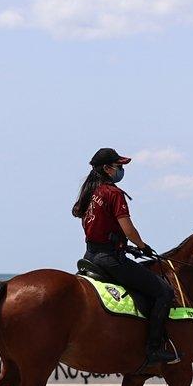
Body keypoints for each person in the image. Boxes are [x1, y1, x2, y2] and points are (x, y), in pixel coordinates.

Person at [72, 147, 178, 365]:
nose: (121, 170)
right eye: (118, 166)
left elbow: (87, 220)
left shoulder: (90, 192)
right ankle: (153, 349)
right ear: (107, 168)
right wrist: (143, 246)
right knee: (164, 292)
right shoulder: (113, 193)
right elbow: (128, 228)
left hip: (90, 255)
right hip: (110, 259)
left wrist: (121, 244)